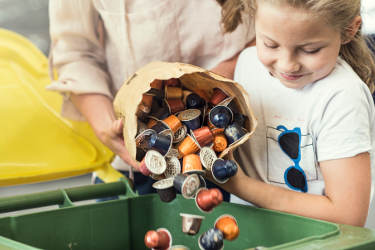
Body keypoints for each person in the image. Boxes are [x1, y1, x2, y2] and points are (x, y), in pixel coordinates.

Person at [47, 0, 255, 198]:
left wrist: (224, 75)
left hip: (248, 154)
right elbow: (75, 52)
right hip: (136, 166)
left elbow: (279, 20)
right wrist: (107, 127)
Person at [215, 0, 375, 226]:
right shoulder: (247, 64)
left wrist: (239, 184)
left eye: (310, 50)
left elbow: (347, 215)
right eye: (270, 44)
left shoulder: (342, 97)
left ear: (349, 30)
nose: (287, 65)